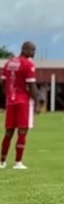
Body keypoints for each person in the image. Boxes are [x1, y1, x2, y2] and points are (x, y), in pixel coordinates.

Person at [1, 41, 39, 169]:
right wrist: (37, 103)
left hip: (10, 101)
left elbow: (2, 82)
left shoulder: (8, 63)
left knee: (8, 132)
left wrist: (6, 96)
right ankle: (18, 162)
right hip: (23, 101)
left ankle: (2, 161)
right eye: (32, 50)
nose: (34, 53)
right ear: (25, 49)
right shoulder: (28, 65)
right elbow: (32, 85)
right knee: (22, 130)